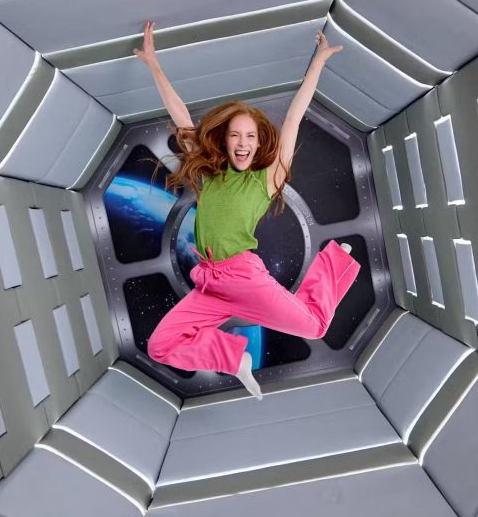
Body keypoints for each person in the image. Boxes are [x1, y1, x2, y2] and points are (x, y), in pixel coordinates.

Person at [135, 21, 359, 400]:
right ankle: (232, 358)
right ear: (226, 140)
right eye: (235, 135)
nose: (242, 143)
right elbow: (180, 116)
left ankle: (334, 260)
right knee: (160, 345)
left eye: (250, 137)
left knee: (315, 325)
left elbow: (293, 119)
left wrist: (318, 63)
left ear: (257, 145)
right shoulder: (210, 174)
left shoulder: (266, 181)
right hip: (209, 282)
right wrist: (154, 64)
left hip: (243, 278)